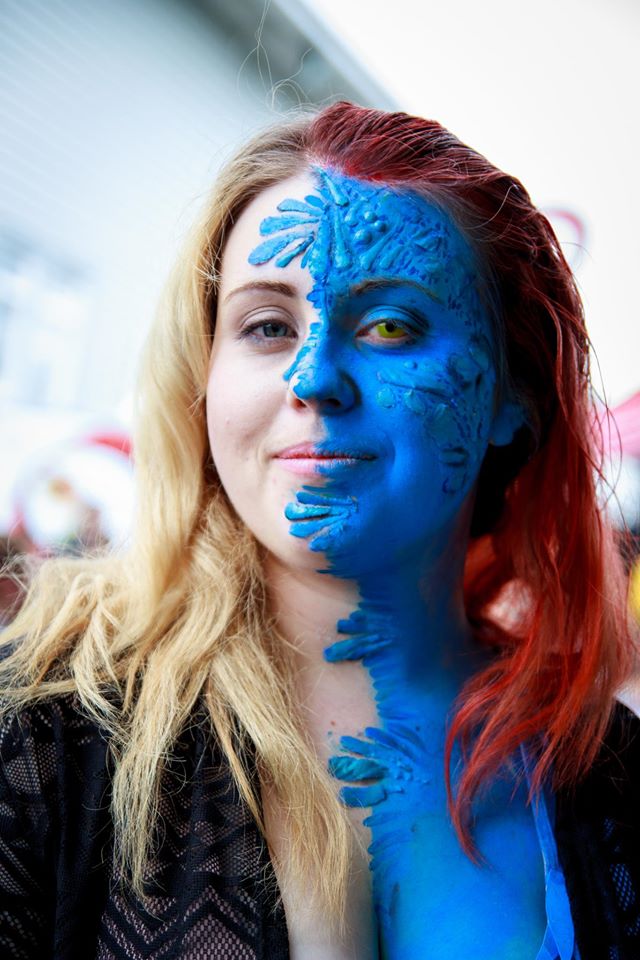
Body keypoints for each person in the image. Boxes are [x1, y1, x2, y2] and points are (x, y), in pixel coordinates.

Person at [0, 101, 637, 960]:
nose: (312, 379)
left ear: (510, 395)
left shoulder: (605, 771)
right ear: (206, 372)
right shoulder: (44, 725)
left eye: (390, 327)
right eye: (267, 326)